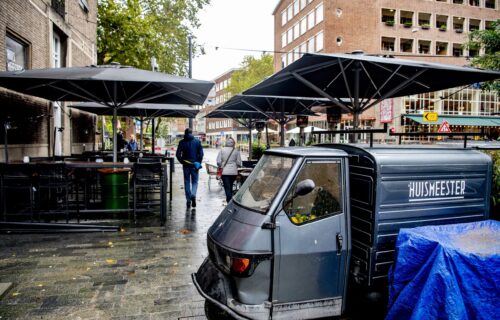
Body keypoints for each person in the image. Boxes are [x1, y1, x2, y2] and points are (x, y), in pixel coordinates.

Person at [176, 128, 204, 208]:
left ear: (185, 133)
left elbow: (178, 155)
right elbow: (201, 154)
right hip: (195, 165)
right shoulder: (197, 142)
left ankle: (188, 200)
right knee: (195, 182)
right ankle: (193, 194)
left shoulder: (182, 142)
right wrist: (198, 162)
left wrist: (182, 161)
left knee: (187, 182)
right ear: (192, 133)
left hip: (186, 166)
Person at [217, 137, 242, 203]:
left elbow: (218, 161)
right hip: (233, 172)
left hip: (224, 172)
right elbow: (239, 163)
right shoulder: (236, 151)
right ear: (233, 143)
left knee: (227, 187)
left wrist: (220, 166)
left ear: (226, 143)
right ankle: (229, 199)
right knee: (230, 186)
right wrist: (236, 165)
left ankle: (229, 200)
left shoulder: (222, 150)